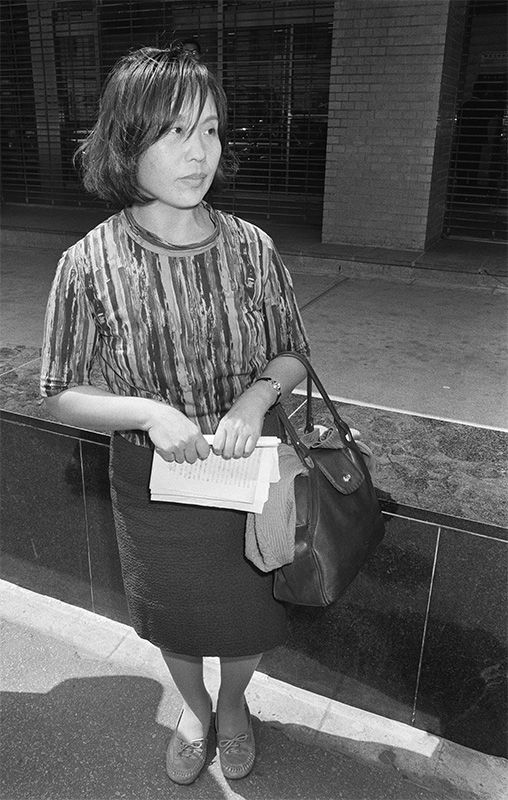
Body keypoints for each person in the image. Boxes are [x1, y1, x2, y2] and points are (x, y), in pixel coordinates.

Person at [40, 44, 310, 785]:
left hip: (250, 474)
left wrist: (256, 397)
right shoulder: (88, 264)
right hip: (155, 482)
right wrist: (148, 411)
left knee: (250, 618)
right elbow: (59, 390)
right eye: (175, 132)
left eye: (211, 130)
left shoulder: (251, 248)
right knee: (177, 620)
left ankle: (235, 706)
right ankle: (195, 709)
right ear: (128, 141)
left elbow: (294, 353)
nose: (200, 153)